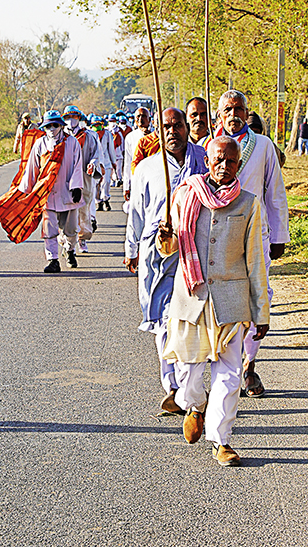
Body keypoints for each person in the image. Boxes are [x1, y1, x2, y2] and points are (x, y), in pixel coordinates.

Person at [157, 136, 270, 466]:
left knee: (230, 376)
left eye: (231, 162)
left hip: (231, 302)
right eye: (218, 160)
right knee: (189, 374)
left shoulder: (249, 203)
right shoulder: (185, 194)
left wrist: (261, 311)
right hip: (191, 297)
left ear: (239, 165)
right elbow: (171, 248)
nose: (224, 167)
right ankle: (194, 404)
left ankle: (221, 440)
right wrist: (165, 240)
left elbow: (255, 261)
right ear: (207, 161)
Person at [124, 108, 207, 410]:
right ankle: (172, 385)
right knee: (161, 321)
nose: (172, 131)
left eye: (178, 125)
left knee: (187, 319)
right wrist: (131, 249)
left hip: (194, 252)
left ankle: (186, 388)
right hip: (156, 254)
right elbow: (136, 212)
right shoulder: (147, 167)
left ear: (187, 127)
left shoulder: (204, 160)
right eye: (166, 127)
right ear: (157, 132)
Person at [217, 90, 289, 397]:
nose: (234, 115)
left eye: (239, 109)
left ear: (248, 114)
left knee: (258, 298)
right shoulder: (208, 146)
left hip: (256, 234)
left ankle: (249, 365)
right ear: (219, 116)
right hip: (219, 236)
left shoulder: (263, 146)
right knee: (223, 300)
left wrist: (279, 235)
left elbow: (274, 190)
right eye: (227, 110)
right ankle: (225, 367)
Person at [18, 110, 84, 272]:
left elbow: (77, 164)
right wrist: (27, 191)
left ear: (61, 126)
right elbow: (32, 167)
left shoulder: (72, 142)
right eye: (49, 126)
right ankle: (53, 259)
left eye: (55, 125)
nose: (52, 129)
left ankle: (70, 251)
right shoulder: (40, 144)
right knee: (49, 229)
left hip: (68, 192)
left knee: (71, 228)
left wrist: (77, 186)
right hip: (47, 193)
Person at [62, 105, 103, 253]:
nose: (70, 120)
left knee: (83, 209)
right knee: (65, 210)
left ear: (79, 118)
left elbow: (95, 154)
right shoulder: (61, 135)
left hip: (84, 177)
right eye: (67, 117)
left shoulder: (89, 136)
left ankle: (82, 239)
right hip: (65, 178)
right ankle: (67, 242)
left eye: (73, 117)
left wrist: (93, 163)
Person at [123, 107, 151, 203]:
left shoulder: (157, 136)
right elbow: (128, 163)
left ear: (149, 119)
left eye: (143, 116)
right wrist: (126, 186)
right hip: (136, 178)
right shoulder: (130, 137)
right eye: (138, 116)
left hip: (153, 178)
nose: (140, 119)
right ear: (135, 120)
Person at [92, 117, 117, 211]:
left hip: (106, 162)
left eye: (99, 124)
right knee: (95, 184)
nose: (97, 126)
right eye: (95, 125)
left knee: (106, 182)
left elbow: (110, 148)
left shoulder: (107, 134)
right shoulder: (91, 134)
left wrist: (113, 161)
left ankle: (106, 199)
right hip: (96, 163)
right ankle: (98, 202)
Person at [108, 114, 124, 186]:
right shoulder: (106, 131)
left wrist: (122, 151)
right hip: (109, 154)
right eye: (111, 121)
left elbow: (122, 143)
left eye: (113, 121)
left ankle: (118, 179)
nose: (112, 122)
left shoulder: (119, 131)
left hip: (118, 153)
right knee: (110, 169)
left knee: (118, 168)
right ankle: (111, 180)